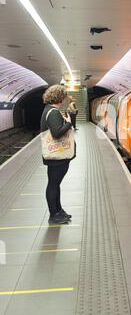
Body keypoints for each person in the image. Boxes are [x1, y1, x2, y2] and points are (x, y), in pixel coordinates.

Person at [40, 85, 76, 224]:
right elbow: (56, 133)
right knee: (53, 184)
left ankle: (59, 211)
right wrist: (68, 123)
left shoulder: (49, 110)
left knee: (55, 184)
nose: (65, 99)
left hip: (57, 157)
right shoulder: (53, 112)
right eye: (64, 96)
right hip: (57, 157)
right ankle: (53, 215)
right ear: (59, 97)